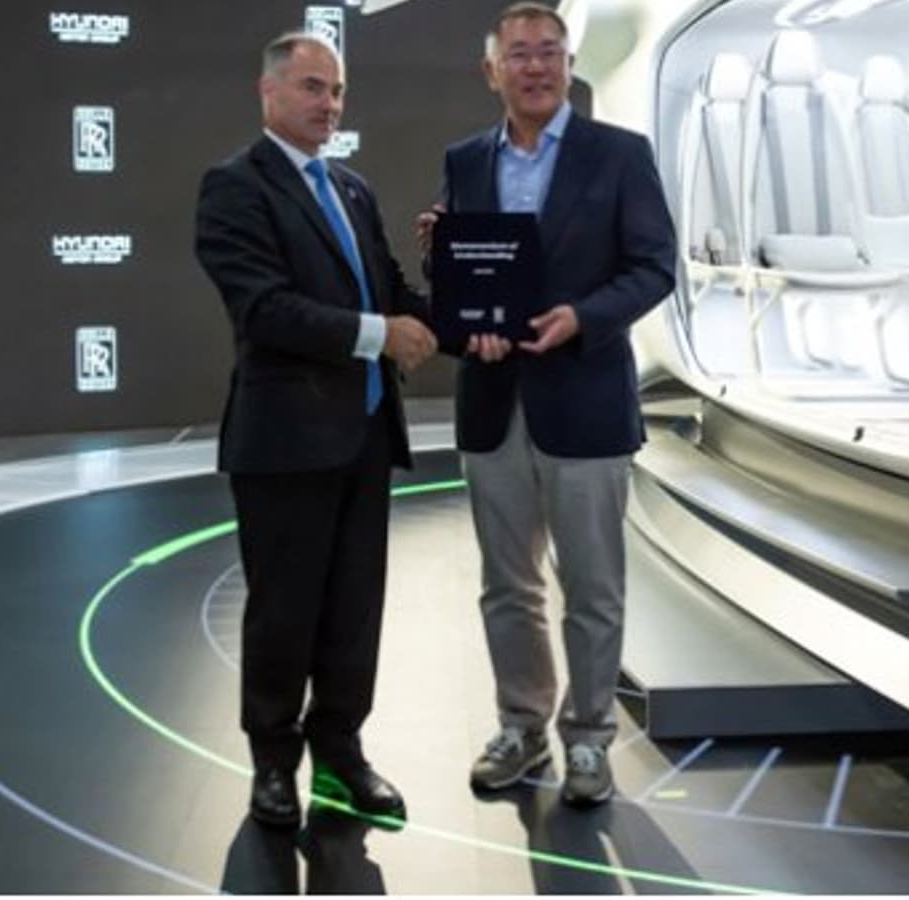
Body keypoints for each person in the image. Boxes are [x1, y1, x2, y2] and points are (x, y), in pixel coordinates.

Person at [416, 2, 675, 806]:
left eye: (550, 52)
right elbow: (462, 274)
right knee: (507, 585)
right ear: (491, 71)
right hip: (493, 401)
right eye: (520, 54)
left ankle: (590, 737)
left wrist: (582, 318)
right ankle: (521, 725)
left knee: (593, 587)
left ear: (569, 63)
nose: (536, 67)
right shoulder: (465, 160)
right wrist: (444, 268)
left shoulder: (620, 154)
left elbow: (654, 266)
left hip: (586, 398)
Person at [195, 31, 437, 828]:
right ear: (268, 92)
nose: (329, 104)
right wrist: (379, 335)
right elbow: (264, 310)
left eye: (336, 91)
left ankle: (341, 748)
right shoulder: (235, 186)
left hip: (364, 436)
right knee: (283, 612)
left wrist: (471, 293)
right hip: (284, 444)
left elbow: (392, 291)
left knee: (353, 610)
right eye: (312, 87)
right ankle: (273, 764)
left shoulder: (353, 190)